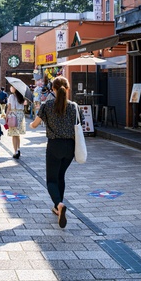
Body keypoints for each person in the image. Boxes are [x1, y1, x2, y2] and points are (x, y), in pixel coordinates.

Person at [30, 76, 83, 228]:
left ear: (52, 89)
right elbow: (81, 124)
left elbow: (34, 124)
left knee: (51, 180)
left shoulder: (47, 105)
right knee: (61, 176)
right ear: (67, 89)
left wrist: (36, 122)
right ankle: (57, 207)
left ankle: (59, 204)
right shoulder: (74, 106)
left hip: (54, 145)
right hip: (70, 147)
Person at [5, 83, 27, 159]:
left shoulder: (11, 96)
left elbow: (9, 107)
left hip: (14, 114)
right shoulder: (22, 96)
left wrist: (6, 116)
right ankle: (18, 149)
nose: (11, 88)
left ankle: (15, 152)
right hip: (21, 114)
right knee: (18, 134)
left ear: (15, 88)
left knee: (14, 134)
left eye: (12, 87)